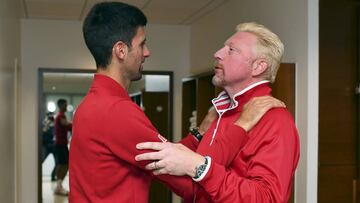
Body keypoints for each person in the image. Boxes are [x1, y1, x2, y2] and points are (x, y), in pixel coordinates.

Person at [69, 2, 285, 203]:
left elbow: (168, 158)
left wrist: (198, 133)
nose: (147, 52)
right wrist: (240, 127)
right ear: (121, 50)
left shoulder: (92, 105)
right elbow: (192, 184)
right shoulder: (117, 112)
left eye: (231, 50)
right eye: (142, 44)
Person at [135, 22, 300, 203]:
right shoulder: (219, 112)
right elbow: (195, 188)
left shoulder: (274, 119)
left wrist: (199, 168)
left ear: (258, 67)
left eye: (231, 50)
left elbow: (268, 199)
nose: (217, 53)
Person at [54, 98, 72, 195]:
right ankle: (58, 187)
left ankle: (58, 186)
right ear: (60, 105)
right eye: (65, 105)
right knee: (64, 165)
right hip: (61, 145)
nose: (66, 106)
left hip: (61, 144)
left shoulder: (61, 116)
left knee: (62, 165)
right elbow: (69, 126)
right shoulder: (60, 116)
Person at [41, 112, 56, 181]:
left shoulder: (56, 124)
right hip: (45, 146)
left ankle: (53, 176)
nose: (51, 118)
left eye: (52, 116)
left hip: (53, 146)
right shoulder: (43, 124)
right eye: (49, 117)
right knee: (40, 161)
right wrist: (47, 124)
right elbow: (43, 133)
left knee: (58, 163)